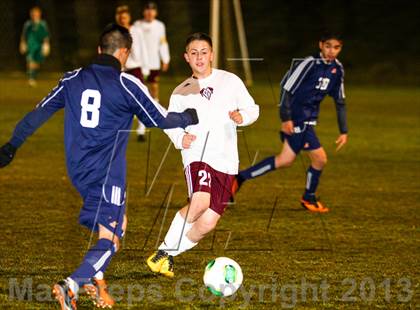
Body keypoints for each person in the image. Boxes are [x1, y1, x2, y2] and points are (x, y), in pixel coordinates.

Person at [0, 24, 198, 309]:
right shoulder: (126, 84)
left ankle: (96, 281)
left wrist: (11, 147)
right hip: (107, 173)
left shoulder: (72, 79)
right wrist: (188, 117)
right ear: (124, 53)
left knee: (116, 223)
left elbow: (37, 114)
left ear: (99, 50)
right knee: (113, 235)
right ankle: (71, 285)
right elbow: (159, 118)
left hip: (77, 171)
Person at [146, 32, 259, 278]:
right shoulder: (180, 92)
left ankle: (167, 255)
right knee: (199, 201)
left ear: (212, 54)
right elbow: (170, 123)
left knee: (206, 224)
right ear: (186, 57)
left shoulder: (230, 81)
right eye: (194, 53)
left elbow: (253, 108)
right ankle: (163, 254)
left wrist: (244, 116)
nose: (199, 57)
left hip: (227, 161)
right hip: (198, 154)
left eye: (203, 52)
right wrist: (179, 138)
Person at [232, 33, 348, 213]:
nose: (331, 51)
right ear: (320, 45)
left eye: (336, 47)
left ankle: (239, 178)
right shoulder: (309, 63)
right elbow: (286, 88)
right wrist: (286, 118)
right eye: (328, 46)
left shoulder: (337, 69)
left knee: (285, 160)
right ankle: (308, 198)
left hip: (309, 121)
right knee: (319, 158)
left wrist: (344, 131)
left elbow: (340, 101)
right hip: (297, 119)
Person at [128, 1, 171, 141]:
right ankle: (141, 114)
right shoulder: (137, 25)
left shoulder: (160, 26)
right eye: (147, 10)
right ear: (143, 12)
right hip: (139, 63)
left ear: (155, 12)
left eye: (152, 10)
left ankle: (154, 112)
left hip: (153, 62)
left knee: (154, 88)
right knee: (141, 90)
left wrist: (165, 58)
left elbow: (163, 43)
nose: (149, 12)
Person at [19, 6, 50, 87]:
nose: (34, 15)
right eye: (33, 14)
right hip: (31, 45)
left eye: (36, 14)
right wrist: (23, 43)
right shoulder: (28, 24)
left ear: (39, 14)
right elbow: (24, 35)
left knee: (36, 62)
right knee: (30, 61)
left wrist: (46, 45)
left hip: (39, 46)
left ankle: (33, 76)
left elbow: (46, 35)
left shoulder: (43, 24)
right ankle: (31, 78)